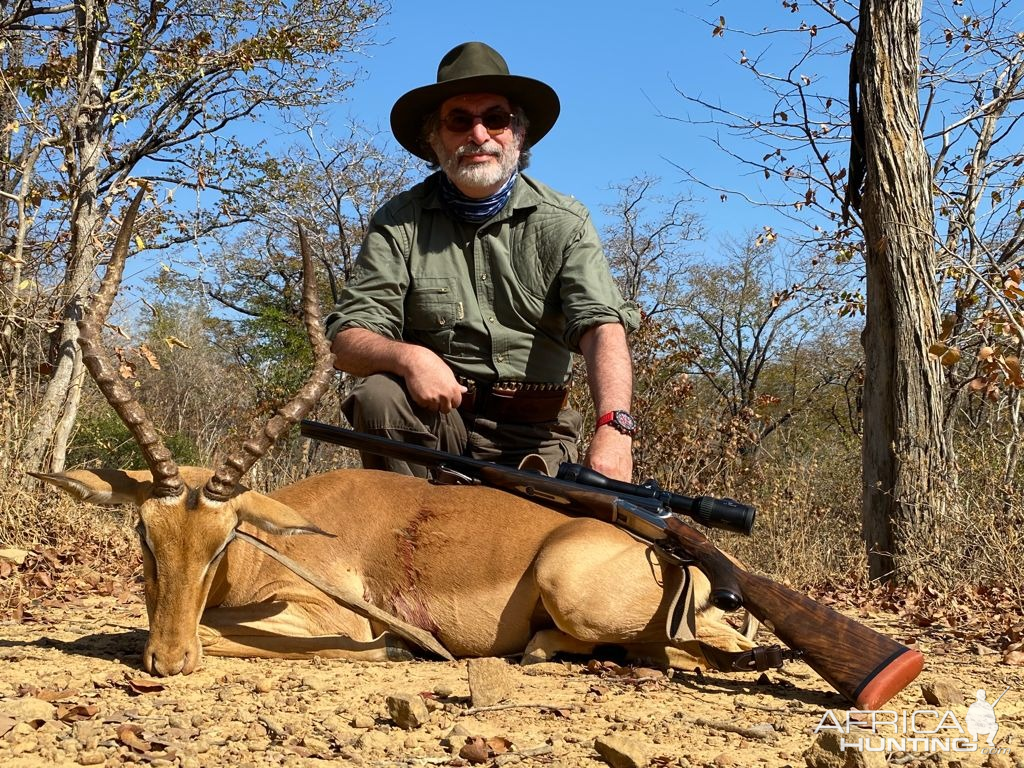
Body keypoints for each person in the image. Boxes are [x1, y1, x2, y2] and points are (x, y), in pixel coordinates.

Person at [325, 41, 639, 482]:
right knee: (378, 395)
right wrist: (410, 359)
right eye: (459, 120)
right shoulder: (398, 222)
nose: (478, 135)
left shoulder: (566, 221)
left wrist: (614, 429)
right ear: (434, 138)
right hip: (437, 426)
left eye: (495, 119)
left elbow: (601, 326)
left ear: (518, 134)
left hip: (536, 435)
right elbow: (346, 338)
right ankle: (408, 537)